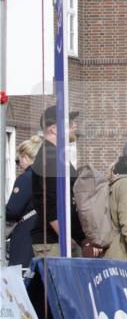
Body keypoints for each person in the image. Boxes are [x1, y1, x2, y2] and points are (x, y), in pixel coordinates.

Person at [31, 106, 87, 257]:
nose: (75, 125)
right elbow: (48, 201)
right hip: (55, 242)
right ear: (54, 129)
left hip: (63, 239)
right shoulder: (50, 158)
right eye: (69, 123)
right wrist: (66, 237)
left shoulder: (56, 155)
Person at [6, 135, 41, 267]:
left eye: (18, 161)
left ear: (25, 157)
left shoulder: (26, 179)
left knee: (20, 279)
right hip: (41, 235)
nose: (19, 165)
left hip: (26, 235)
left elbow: (12, 211)